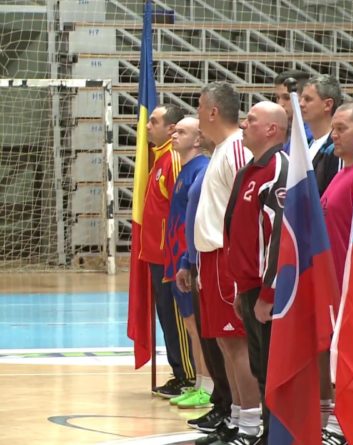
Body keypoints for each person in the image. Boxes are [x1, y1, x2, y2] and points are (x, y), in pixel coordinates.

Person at [223, 101, 290, 445]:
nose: (243, 124)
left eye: (251, 120)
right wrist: (241, 288)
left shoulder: (279, 168)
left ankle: (279, 437)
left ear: (271, 130)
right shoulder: (249, 170)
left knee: (275, 372)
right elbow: (241, 231)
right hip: (250, 290)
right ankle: (268, 434)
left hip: (269, 294)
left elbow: (280, 235)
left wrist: (268, 293)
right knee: (260, 367)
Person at [194, 81, 256, 445]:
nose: (198, 114)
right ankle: (234, 418)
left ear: (213, 111)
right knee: (224, 343)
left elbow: (245, 209)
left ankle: (250, 424)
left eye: (200, 107)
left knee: (237, 343)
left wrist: (237, 260)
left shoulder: (236, 149)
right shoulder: (221, 149)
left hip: (226, 257)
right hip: (210, 258)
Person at [175, 133, 233, 434]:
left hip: (218, 261)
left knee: (227, 342)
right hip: (198, 259)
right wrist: (188, 258)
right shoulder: (208, 163)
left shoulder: (226, 156)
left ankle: (239, 413)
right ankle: (221, 402)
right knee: (210, 336)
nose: (176, 135)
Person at [141, 104, 196, 398]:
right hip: (156, 256)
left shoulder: (173, 161)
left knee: (177, 318)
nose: (148, 126)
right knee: (167, 317)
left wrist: (177, 256)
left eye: (154, 121)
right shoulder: (159, 159)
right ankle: (179, 372)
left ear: (171, 128)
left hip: (169, 258)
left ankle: (188, 375)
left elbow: (180, 210)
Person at [319, 101, 353, 445]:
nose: (333, 135)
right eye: (333, 128)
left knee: (351, 358)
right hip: (333, 284)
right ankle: (339, 420)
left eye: (341, 129)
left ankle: (346, 425)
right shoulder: (341, 172)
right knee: (337, 356)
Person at [164, 117, 213, 410]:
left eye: (181, 131)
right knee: (190, 325)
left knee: (198, 326)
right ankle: (199, 383)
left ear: (197, 139)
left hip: (190, 260)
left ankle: (207, 386)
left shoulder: (201, 169)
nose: (174, 134)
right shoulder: (185, 170)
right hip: (178, 260)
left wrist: (188, 259)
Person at [300, 74, 343, 194]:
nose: (301, 104)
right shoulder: (308, 144)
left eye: (308, 99)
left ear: (328, 105)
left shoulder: (337, 147)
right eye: (301, 99)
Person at [273, 70, 312, 150]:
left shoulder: (311, 136)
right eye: (277, 97)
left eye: (287, 98)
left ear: (304, 98)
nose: (280, 104)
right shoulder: (275, 130)